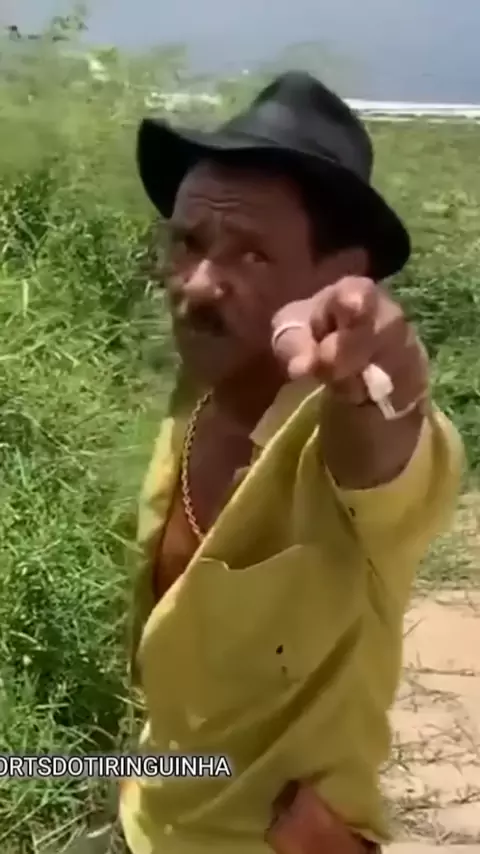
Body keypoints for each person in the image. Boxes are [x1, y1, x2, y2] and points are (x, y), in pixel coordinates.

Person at [119, 71, 464, 854]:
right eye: (189, 242)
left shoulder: (346, 448)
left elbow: (390, 437)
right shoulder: (198, 392)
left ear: (339, 279)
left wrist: (381, 377)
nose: (198, 285)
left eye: (251, 253)